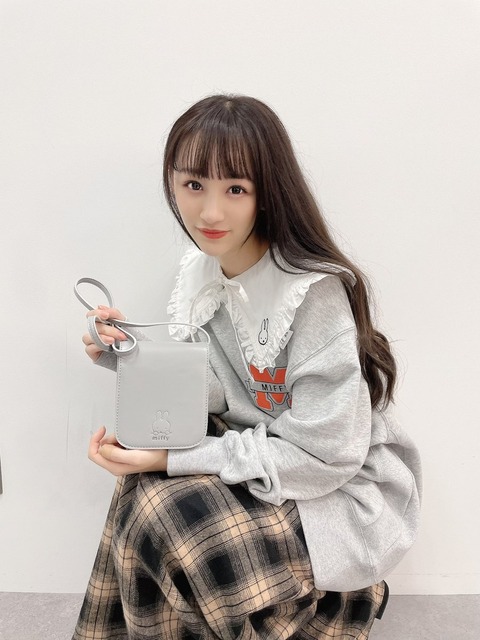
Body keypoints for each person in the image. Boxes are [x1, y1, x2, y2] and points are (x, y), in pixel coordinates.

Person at [74, 94, 421, 639]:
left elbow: (326, 455)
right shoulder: (203, 274)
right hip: (268, 455)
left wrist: (174, 458)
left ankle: (343, 601)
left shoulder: (311, 293)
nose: (211, 213)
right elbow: (217, 390)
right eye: (194, 185)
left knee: (170, 513)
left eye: (235, 189)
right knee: (143, 496)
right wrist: (127, 353)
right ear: (172, 184)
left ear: (267, 191)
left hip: (337, 489)